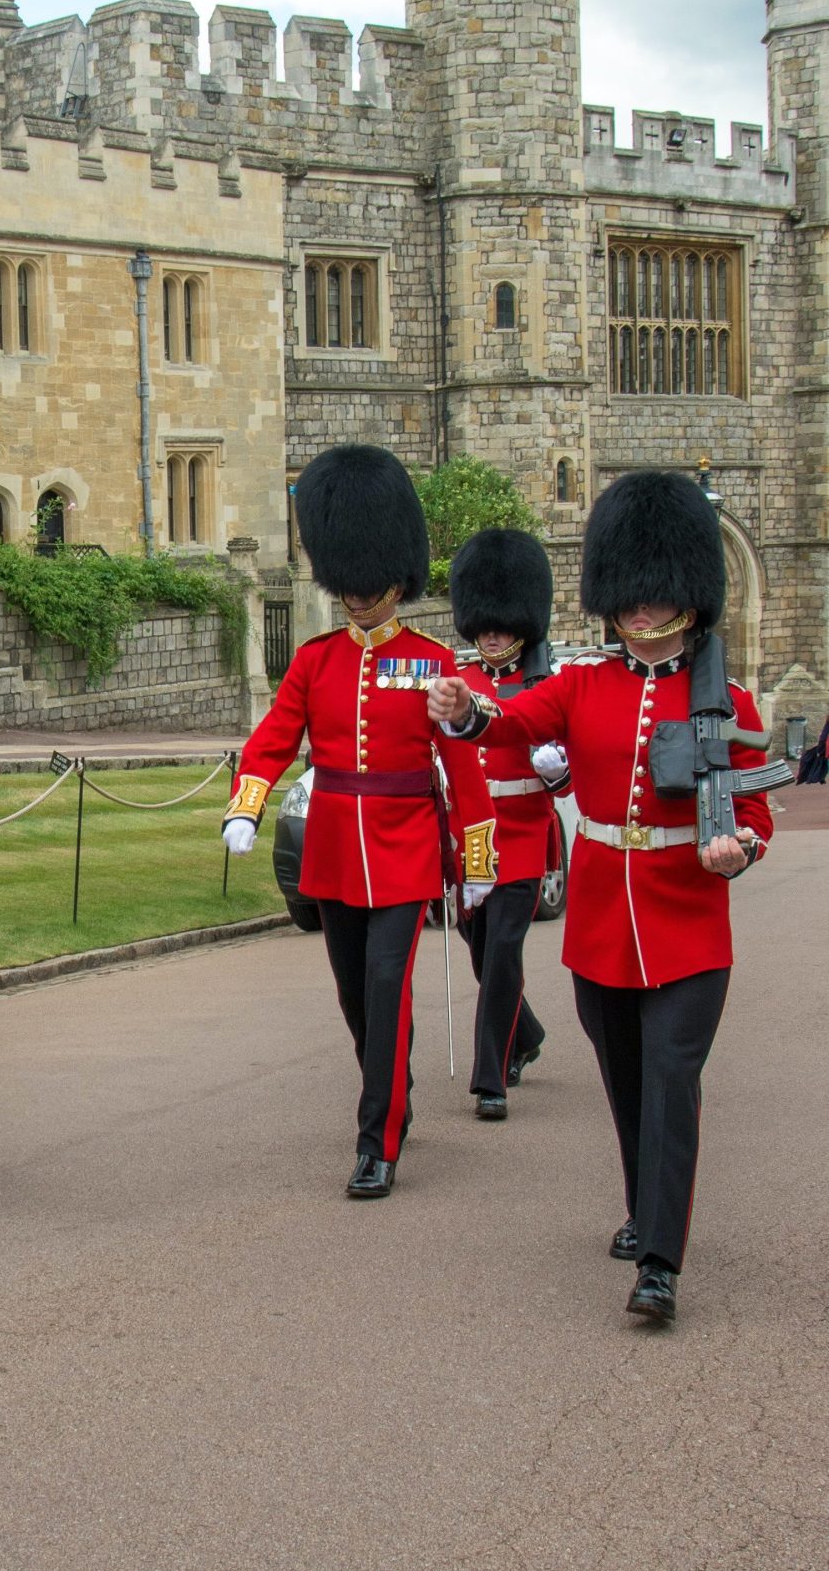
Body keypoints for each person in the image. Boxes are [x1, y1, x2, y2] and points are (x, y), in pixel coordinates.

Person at [427, 470, 773, 1326]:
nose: (642, 614)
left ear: (688, 599)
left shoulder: (724, 700)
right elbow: (506, 725)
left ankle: (660, 1261)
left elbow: (757, 808)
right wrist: (463, 709)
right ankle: (642, 1209)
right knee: (626, 1086)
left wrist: (739, 851)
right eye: (631, 600)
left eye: (657, 600)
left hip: (691, 927)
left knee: (670, 1080)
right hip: (602, 925)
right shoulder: (583, 686)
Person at [223, 444, 497, 1200]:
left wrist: (476, 862)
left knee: (386, 985)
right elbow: (274, 738)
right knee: (356, 997)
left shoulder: (434, 661)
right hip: (336, 849)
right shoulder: (314, 661)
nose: (355, 597)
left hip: (407, 846)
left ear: (396, 579)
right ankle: (390, 1079)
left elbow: (464, 769)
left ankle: (377, 1139)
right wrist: (247, 805)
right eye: (345, 584)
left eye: (366, 585)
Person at [447, 528, 573, 1120]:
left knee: (502, 953)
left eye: (501, 625)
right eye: (484, 625)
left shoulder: (546, 687)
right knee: (480, 955)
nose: (491, 634)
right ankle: (527, 1034)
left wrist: (553, 771)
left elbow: (568, 783)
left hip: (522, 835)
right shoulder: (461, 682)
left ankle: (489, 1077)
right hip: (472, 839)